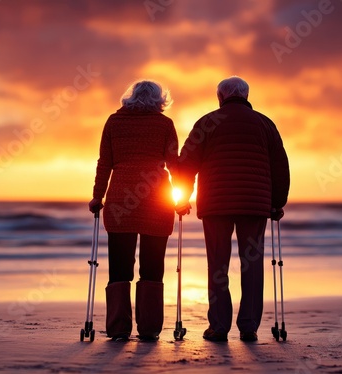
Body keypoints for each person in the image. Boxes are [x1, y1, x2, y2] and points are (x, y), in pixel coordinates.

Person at [175, 76, 290, 342]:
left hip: (216, 205)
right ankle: (248, 326)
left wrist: (183, 196)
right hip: (255, 204)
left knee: (218, 264)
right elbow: (280, 166)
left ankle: (219, 326)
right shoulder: (265, 123)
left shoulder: (207, 122)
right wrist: (277, 202)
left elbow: (186, 162)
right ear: (246, 96)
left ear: (220, 97)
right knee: (252, 264)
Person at [89, 80, 178, 341]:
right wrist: (182, 196)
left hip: (119, 200)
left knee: (119, 266)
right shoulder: (164, 124)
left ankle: (118, 328)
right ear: (160, 99)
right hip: (156, 201)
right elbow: (174, 163)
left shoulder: (114, 122)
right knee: (153, 266)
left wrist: (97, 196)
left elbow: (104, 162)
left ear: (130, 97)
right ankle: (149, 329)